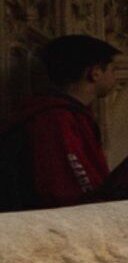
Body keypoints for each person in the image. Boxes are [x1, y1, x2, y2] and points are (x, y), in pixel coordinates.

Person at [3, 33, 120, 211]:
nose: (116, 77)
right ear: (95, 73)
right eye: (113, 70)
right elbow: (68, 188)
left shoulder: (66, 113)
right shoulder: (56, 119)